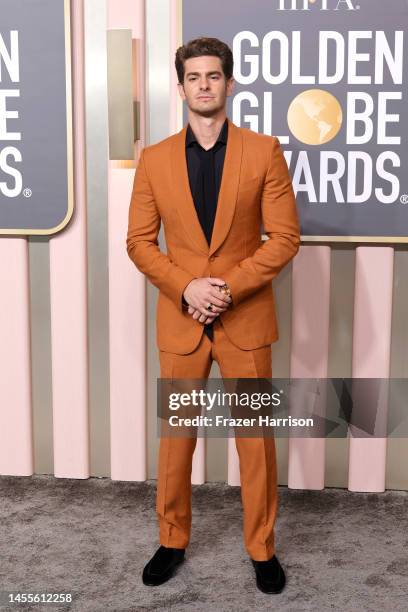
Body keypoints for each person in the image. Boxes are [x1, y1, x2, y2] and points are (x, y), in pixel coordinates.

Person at [126, 36, 300, 595]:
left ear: (230, 83)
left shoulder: (264, 151)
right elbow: (138, 243)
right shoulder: (153, 159)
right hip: (181, 322)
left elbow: (285, 239)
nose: (204, 85)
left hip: (244, 319)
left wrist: (223, 287)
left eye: (214, 76)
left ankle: (263, 549)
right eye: (194, 77)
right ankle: (172, 539)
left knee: (255, 438)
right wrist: (186, 286)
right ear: (180, 88)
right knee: (177, 437)